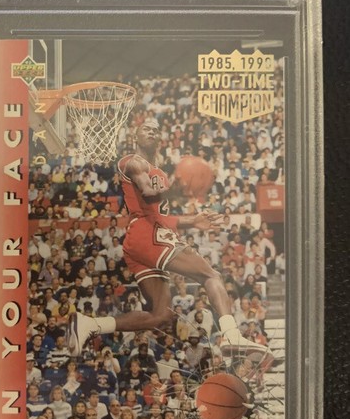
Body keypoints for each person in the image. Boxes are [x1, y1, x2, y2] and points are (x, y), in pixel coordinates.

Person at [66, 121, 272, 363]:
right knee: (211, 275)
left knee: (160, 315)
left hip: (143, 238)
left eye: (156, 129)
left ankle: (90, 324)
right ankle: (231, 335)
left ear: (160, 139)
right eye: (146, 128)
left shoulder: (160, 173)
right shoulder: (133, 162)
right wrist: (176, 189)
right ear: (135, 136)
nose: (152, 131)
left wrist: (193, 221)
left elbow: (160, 215)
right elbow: (147, 193)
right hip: (148, 234)